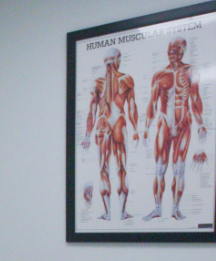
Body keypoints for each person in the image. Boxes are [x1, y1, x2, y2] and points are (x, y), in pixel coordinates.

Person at [142, 38, 207, 221]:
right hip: (164, 123)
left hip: (183, 124)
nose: (172, 52)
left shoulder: (190, 71)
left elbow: (195, 98)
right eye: (170, 49)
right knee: (160, 168)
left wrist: (201, 123)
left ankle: (175, 208)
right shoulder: (159, 75)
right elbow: (153, 103)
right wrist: (146, 127)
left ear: (183, 51)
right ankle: (157, 207)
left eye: (176, 49)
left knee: (179, 169)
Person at [81, 48, 139, 220]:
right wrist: (135, 129)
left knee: (103, 170)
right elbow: (132, 107)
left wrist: (87, 134)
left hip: (103, 125)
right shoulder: (126, 79)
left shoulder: (98, 82)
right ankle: (121, 212)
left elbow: (92, 111)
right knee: (122, 169)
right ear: (117, 60)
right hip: (118, 123)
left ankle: (108, 213)